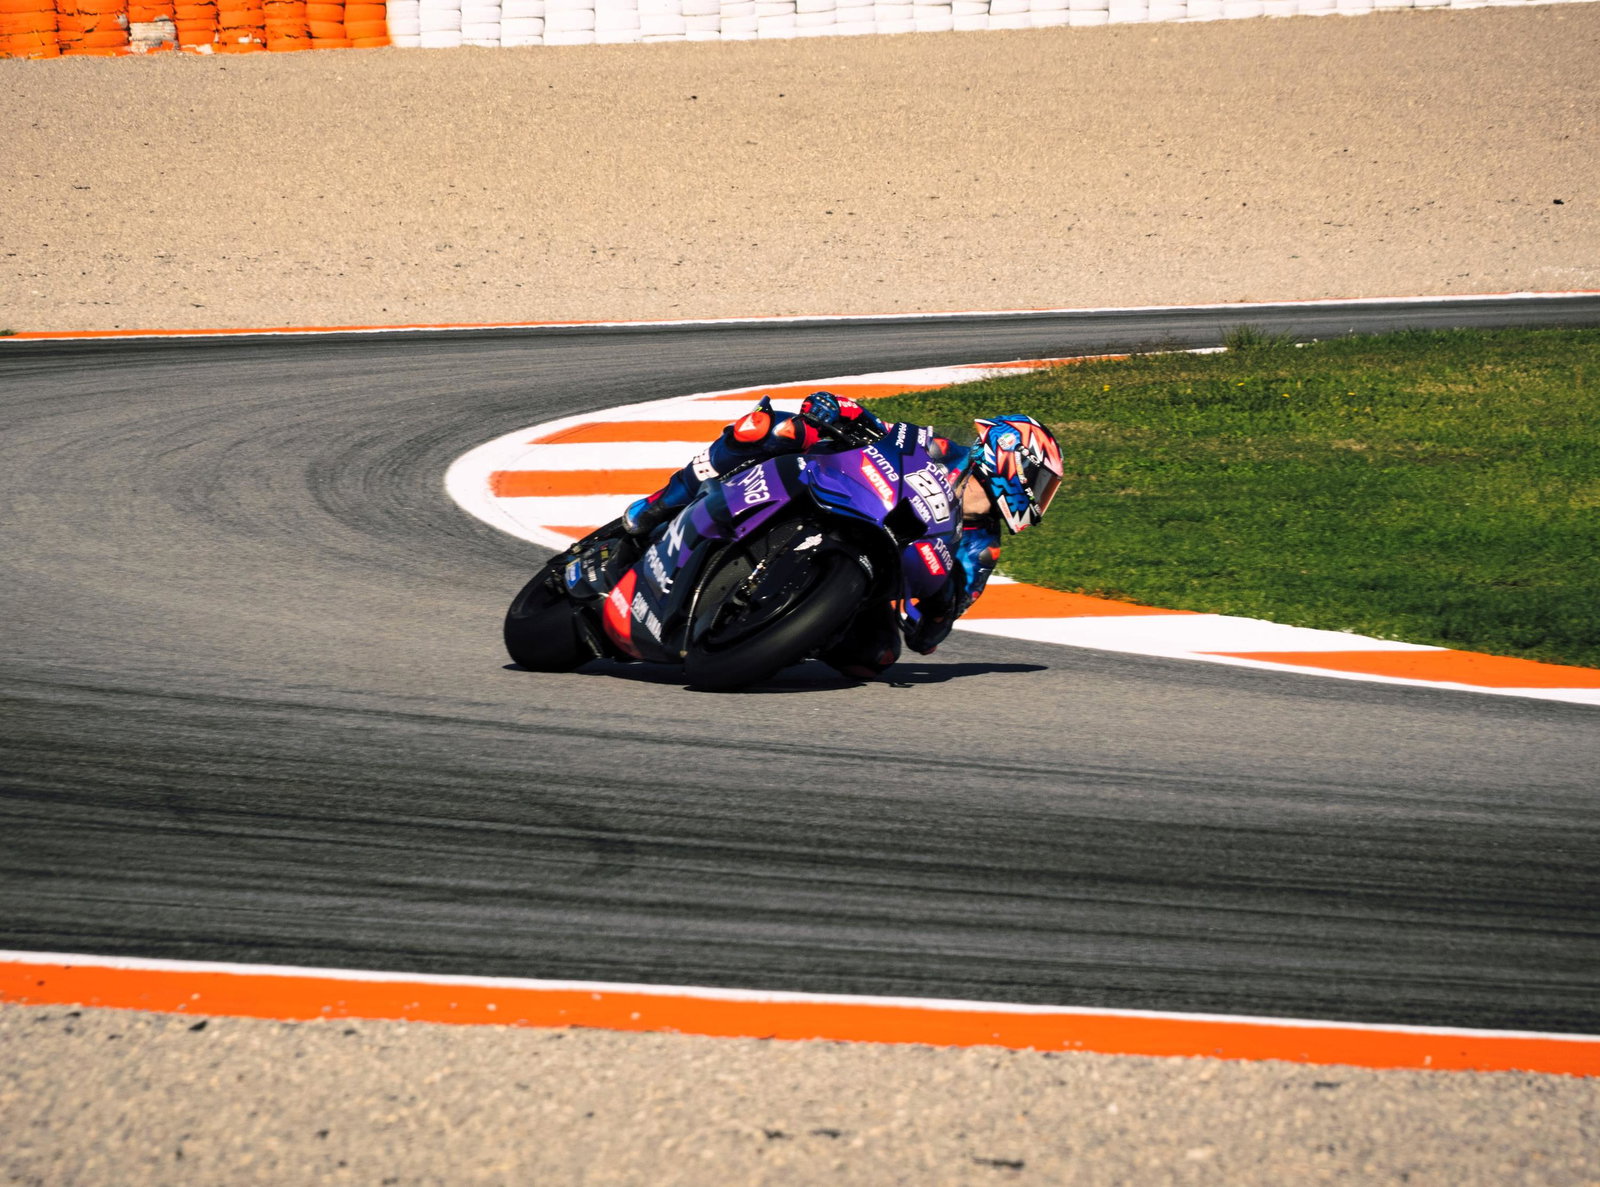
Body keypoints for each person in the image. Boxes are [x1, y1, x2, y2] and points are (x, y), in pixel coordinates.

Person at [621, 391, 1063, 676]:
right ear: (1010, 459)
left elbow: (928, 638)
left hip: (877, 574)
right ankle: (664, 501)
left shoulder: (981, 549)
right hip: (848, 495)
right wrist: (841, 410)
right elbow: (884, 431)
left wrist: (938, 605)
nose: (1040, 498)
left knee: (876, 658)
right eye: (1039, 482)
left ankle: (782, 631)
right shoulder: (943, 450)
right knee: (773, 428)